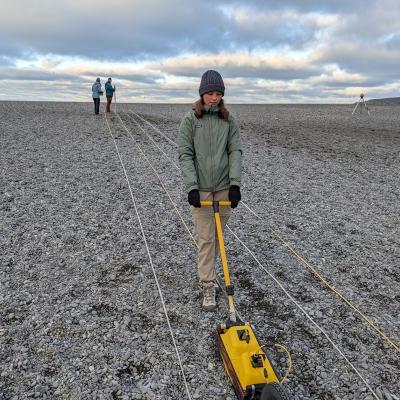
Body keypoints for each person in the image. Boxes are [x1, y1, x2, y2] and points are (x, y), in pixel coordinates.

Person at [178, 70, 242, 311]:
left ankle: (211, 274)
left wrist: (235, 184)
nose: (213, 98)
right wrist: (192, 187)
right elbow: (185, 154)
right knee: (206, 238)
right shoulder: (191, 120)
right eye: (209, 93)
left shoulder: (229, 120)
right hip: (202, 191)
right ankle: (207, 283)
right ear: (202, 94)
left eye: (218, 93)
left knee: (218, 238)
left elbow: (235, 151)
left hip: (224, 188)